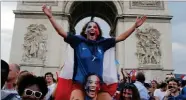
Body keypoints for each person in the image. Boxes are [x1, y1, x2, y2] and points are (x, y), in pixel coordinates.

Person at [42, 4, 146, 100]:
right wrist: (50, 17)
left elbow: (121, 37)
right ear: (85, 31)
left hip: (98, 85)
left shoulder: (103, 43)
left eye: (95, 27)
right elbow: (61, 32)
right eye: (89, 27)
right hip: (79, 84)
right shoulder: (77, 41)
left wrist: (134, 26)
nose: (92, 28)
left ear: (98, 31)